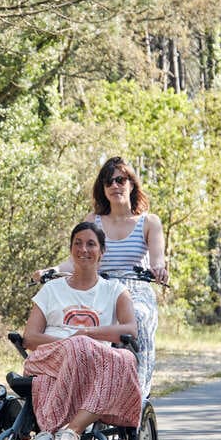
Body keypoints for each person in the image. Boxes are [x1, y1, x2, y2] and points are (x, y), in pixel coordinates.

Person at [38, 156, 167, 393]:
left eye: (120, 180)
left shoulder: (149, 222)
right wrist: (52, 271)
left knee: (135, 318)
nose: (115, 186)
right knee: (70, 320)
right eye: (108, 182)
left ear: (132, 184)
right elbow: (77, 258)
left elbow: (158, 258)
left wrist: (158, 269)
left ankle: (136, 390)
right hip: (100, 288)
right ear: (103, 188)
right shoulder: (93, 221)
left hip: (135, 288)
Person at [23, 222, 142, 440]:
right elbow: (30, 337)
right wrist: (71, 343)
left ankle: (70, 430)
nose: (83, 249)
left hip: (97, 363)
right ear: (70, 249)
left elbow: (131, 330)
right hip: (51, 357)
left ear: (102, 251)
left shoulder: (115, 290)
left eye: (91, 244)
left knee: (126, 358)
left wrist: (88, 334)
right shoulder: (51, 289)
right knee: (80, 347)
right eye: (78, 243)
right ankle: (59, 430)